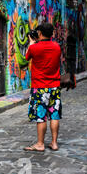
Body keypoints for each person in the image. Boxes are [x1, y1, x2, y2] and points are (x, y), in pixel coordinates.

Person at [24, 22, 62, 152]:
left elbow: (26, 58)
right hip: (55, 86)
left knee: (41, 116)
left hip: (40, 87)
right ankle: (54, 143)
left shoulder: (34, 48)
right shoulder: (57, 47)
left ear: (39, 33)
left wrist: (31, 43)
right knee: (54, 114)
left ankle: (40, 144)